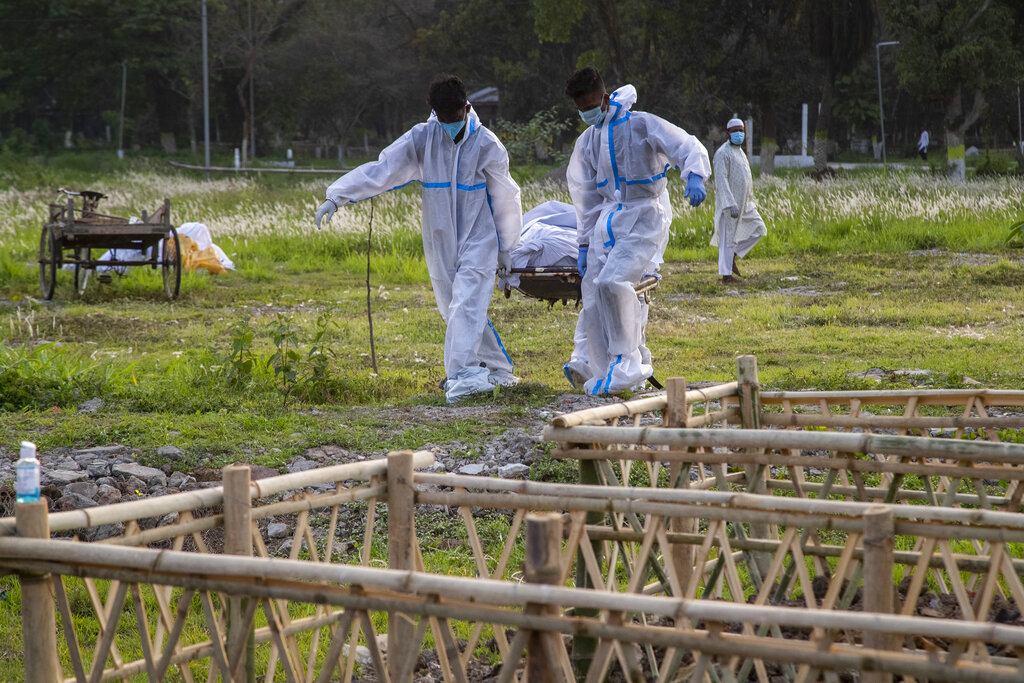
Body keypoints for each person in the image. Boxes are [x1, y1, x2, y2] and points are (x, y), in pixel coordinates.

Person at [314, 74, 522, 403]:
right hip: (440, 239)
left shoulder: (487, 145)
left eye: (454, 117)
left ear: (466, 108)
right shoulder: (423, 138)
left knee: (466, 305)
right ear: (434, 113)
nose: (449, 125)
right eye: (443, 119)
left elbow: (506, 197)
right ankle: (499, 370)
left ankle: (463, 373)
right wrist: (337, 196)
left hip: (479, 239)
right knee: (455, 309)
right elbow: (383, 169)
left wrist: (507, 246)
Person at [564, 66, 710, 395]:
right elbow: (586, 197)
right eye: (580, 108)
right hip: (608, 221)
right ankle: (601, 370)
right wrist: (584, 243)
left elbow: (685, 145)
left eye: (589, 105)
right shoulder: (589, 140)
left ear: (604, 97)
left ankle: (629, 362)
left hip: (645, 216)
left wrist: (695, 174)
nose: (586, 113)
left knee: (614, 283)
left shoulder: (641, 124)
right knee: (594, 292)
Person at [712, 118, 766, 285]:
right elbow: (721, 180)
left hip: (745, 203)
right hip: (730, 206)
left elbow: (746, 178)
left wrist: (750, 199)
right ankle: (726, 277)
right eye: (735, 131)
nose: (739, 134)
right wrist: (729, 203)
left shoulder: (741, 152)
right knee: (728, 239)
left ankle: (733, 256)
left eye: (741, 130)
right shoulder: (722, 153)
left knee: (759, 228)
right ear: (727, 133)